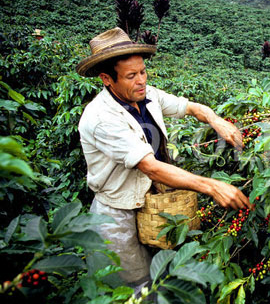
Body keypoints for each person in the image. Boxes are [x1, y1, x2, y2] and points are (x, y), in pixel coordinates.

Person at [76, 27, 252, 293]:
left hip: (154, 204)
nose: (141, 81)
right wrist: (214, 186)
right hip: (118, 213)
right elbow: (149, 166)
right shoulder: (101, 118)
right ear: (106, 79)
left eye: (143, 72)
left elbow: (190, 107)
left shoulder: (148, 96)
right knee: (135, 287)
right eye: (131, 76)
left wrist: (217, 120)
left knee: (163, 272)